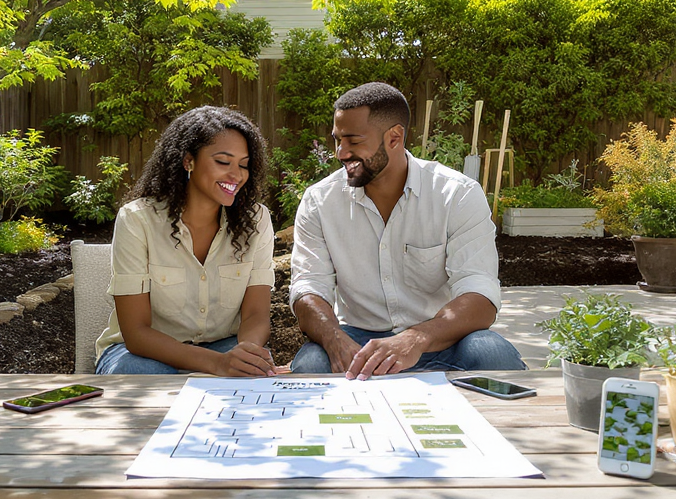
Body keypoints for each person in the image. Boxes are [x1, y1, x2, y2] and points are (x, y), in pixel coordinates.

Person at [289, 82, 526, 377]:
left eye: (353, 141)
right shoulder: (320, 201)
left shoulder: (456, 194)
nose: (340, 152)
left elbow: (480, 294)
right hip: (358, 342)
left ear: (395, 137)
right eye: (338, 140)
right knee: (311, 364)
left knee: (491, 353)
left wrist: (416, 338)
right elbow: (308, 288)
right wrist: (334, 338)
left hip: (439, 339)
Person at [96, 106, 278, 376]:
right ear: (188, 161)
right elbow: (136, 334)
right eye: (223, 162)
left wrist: (246, 352)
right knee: (141, 374)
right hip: (142, 353)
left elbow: (256, 314)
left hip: (224, 345)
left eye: (243, 165)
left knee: (255, 374)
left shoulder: (256, 220)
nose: (236, 175)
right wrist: (217, 364)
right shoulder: (138, 220)